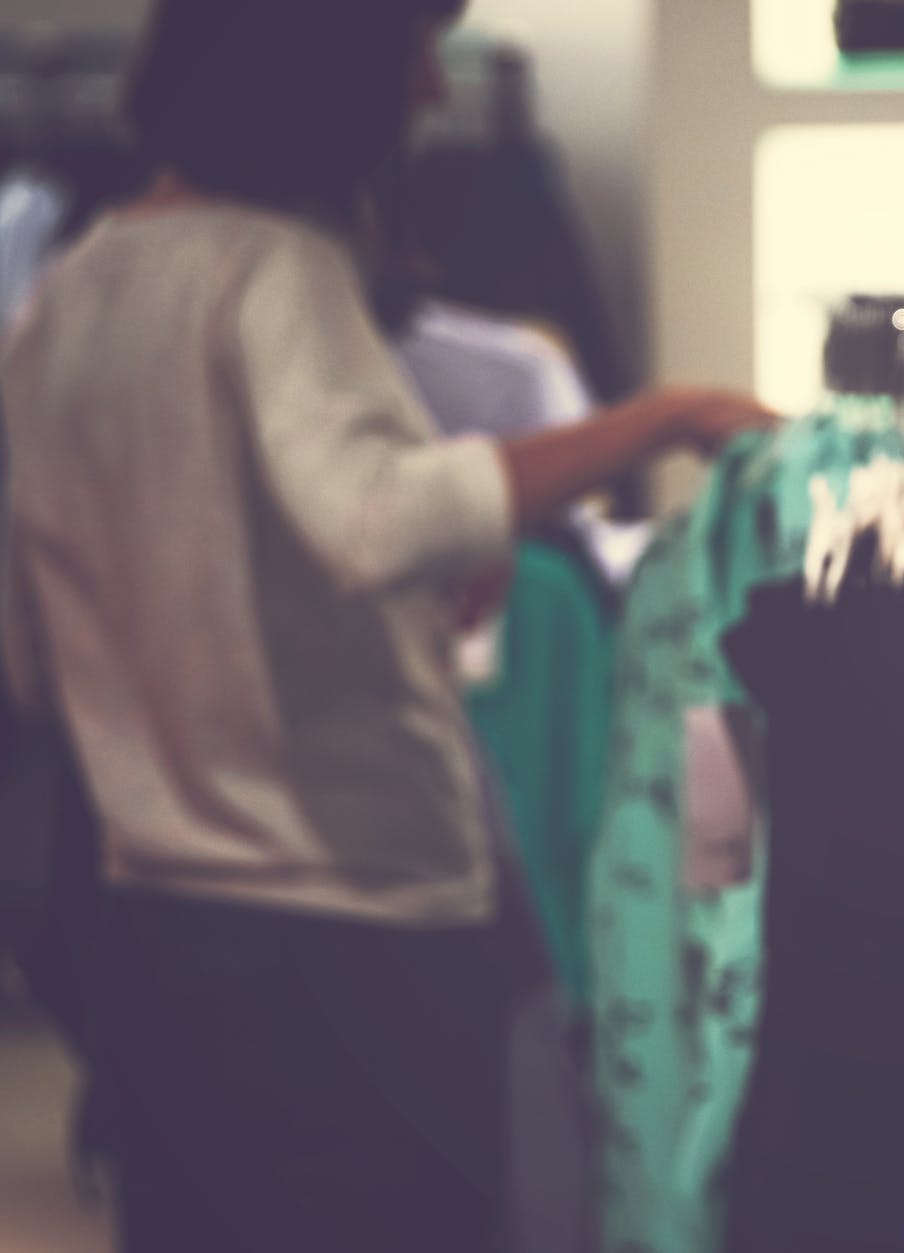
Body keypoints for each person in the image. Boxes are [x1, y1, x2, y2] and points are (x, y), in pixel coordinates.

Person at [0, 0, 772, 1249]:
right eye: (408, 55)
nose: (425, 94)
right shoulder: (267, 267)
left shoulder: (64, 298)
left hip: (154, 915)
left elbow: (37, 650)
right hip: (349, 922)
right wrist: (659, 418)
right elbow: (375, 516)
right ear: (320, 78)